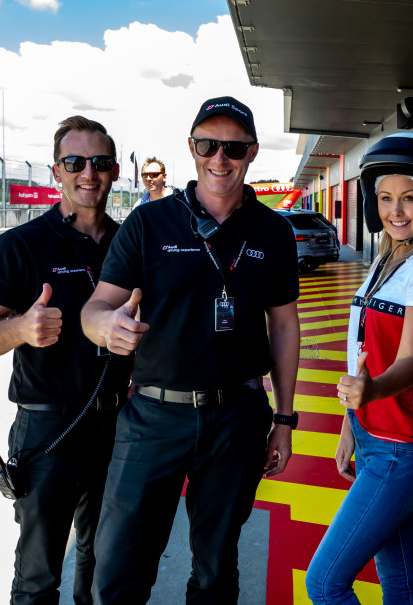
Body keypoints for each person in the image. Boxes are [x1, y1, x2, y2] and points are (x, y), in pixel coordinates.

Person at [80, 95, 301, 604]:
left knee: (216, 569)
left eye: (234, 148)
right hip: (153, 417)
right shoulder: (149, 224)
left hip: (237, 418)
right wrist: (106, 327)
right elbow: (97, 307)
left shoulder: (273, 231)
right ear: (192, 147)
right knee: (117, 569)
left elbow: (285, 326)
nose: (220, 158)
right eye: (208, 145)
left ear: (252, 152)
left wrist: (284, 420)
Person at [0, 115, 133, 605]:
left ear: (115, 170)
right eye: (74, 162)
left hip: (118, 424)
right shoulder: (21, 245)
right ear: (56, 171)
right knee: (38, 575)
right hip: (48, 428)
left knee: (103, 566)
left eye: (100, 162)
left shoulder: (130, 243)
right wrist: (20, 329)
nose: (88, 173)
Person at [306, 133, 413, 604]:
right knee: (397, 579)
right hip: (374, 436)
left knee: (325, 583)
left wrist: (369, 393)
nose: (396, 210)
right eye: (385, 198)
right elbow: (364, 352)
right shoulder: (388, 257)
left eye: (409, 198)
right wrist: (349, 425)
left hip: (402, 448)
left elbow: (410, 361)